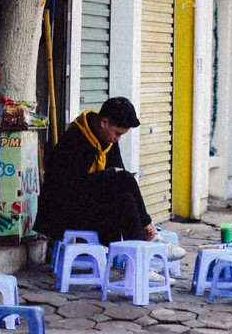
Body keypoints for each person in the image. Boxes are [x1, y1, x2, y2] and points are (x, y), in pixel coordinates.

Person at [33, 97, 185, 260]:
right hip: (62, 212)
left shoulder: (107, 139)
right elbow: (66, 187)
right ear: (104, 122)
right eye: (118, 133)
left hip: (89, 205)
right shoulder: (74, 140)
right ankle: (149, 233)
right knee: (123, 179)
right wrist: (107, 175)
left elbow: (118, 180)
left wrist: (110, 176)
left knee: (125, 199)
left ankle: (138, 263)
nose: (118, 138)